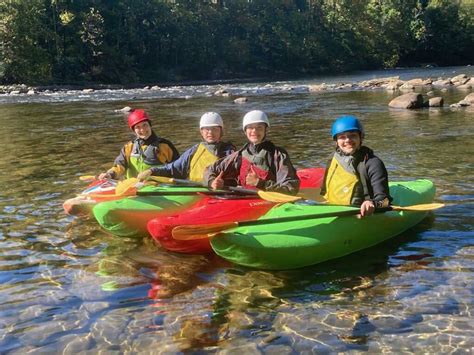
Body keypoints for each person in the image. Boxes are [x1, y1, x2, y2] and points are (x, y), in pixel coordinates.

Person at [204, 110, 300, 195]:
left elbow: (290, 188)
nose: (254, 131)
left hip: (268, 202)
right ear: (245, 131)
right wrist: (212, 181)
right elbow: (209, 169)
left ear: (266, 130)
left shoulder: (277, 155)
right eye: (250, 127)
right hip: (245, 201)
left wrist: (260, 183)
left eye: (259, 127)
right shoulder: (239, 155)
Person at [320, 115, 392, 216]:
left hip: (359, 214)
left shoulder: (373, 163)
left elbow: (385, 202)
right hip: (333, 211)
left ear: (360, 138)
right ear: (336, 141)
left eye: (352, 135)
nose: (347, 140)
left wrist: (372, 204)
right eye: (342, 137)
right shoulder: (332, 159)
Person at [137, 112, 235, 182]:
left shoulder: (229, 152)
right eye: (206, 129)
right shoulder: (195, 150)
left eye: (215, 129)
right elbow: (173, 168)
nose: (210, 133)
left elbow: (235, 178)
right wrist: (152, 170)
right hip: (194, 191)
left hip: (217, 194)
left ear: (221, 131)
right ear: (201, 132)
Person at [98, 109, 180, 180]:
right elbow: (119, 166)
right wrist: (110, 174)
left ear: (150, 126)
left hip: (156, 188)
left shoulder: (164, 145)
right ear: (134, 130)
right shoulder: (128, 147)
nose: (142, 130)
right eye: (137, 127)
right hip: (133, 188)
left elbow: (178, 167)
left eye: (145, 125)